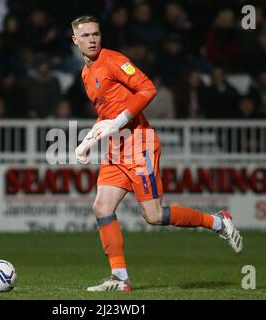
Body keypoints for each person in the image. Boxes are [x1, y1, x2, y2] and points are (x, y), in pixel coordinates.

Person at [72, 16, 243, 292]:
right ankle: (120, 279)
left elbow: (148, 88)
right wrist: (86, 143)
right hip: (117, 149)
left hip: (140, 145)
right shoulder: (85, 73)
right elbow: (105, 117)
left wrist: (117, 122)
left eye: (96, 34)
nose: (92, 39)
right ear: (75, 40)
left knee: (152, 215)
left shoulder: (114, 61)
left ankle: (217, 221)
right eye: (86, 35)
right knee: (102, 207)